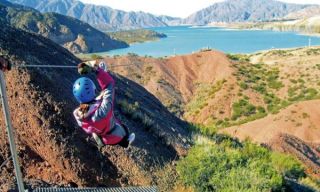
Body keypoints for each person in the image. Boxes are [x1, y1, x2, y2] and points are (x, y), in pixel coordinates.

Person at [73, 60, 135, 148]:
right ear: (93, 89)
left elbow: (100, 98)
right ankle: (126, 142)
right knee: (123, 129)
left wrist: (103, 72)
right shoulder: (103, 110)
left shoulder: (79, 114)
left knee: (105, 125)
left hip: (99, 130)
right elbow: (109, 85)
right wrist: (97, 70)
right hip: (113, 135)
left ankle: (98, 138)